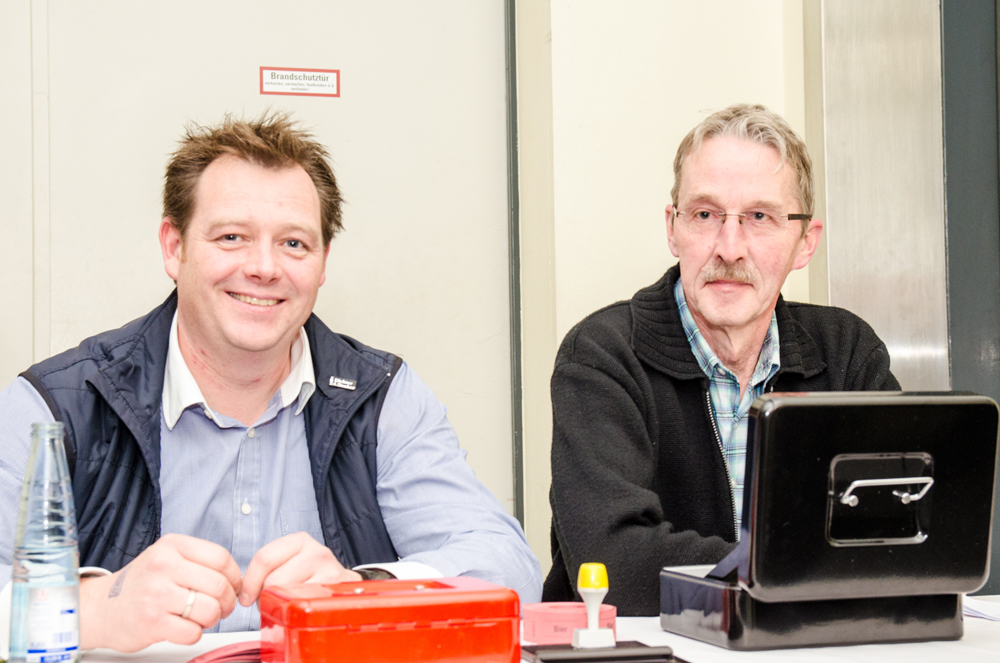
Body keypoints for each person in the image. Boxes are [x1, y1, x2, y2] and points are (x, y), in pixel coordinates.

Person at [0, 112, 541, 651]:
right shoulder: (56, 408)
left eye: (294, 244)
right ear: (174, 247)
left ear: (323, 262)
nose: (264, 267)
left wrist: (361, 591)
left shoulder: (381, 398)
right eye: (232, 236)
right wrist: (94, 608)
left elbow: (509, 569)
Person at [542, 103, 899, 615]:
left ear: (805, 242)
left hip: (808, 647)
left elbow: (899, 540)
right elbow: (615, 566)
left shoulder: (847, 352)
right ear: (673, 229)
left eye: (760, 217)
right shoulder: (603, 356)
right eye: (706, 215)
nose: (729, 248)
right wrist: (799, 568)